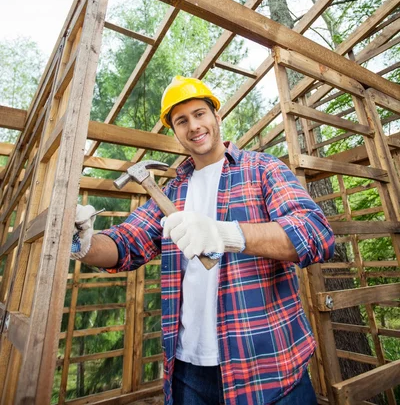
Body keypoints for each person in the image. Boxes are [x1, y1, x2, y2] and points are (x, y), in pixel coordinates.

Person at [72, 76, 335, 405]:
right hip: (188, 372)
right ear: (175, 131)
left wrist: (228, 234)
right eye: (182, 120)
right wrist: (83, 242)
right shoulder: (172, 192)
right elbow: (125, 244)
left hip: (269, 367)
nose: (194, 126)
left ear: (217, 117)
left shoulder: (263, 169)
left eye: (200, 114)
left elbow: (316, 234)